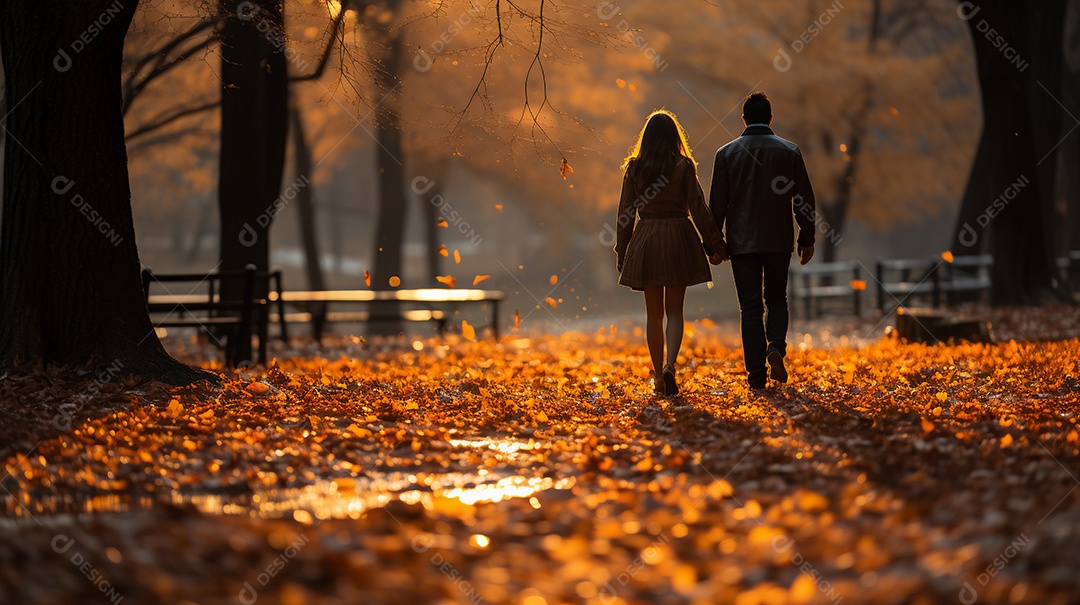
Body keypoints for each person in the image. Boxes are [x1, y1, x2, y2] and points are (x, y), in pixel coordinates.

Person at [708, 91, 816, 391]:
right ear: (770, 118)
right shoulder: (789, 151)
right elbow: (804, 200)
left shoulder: (726, 154)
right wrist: (807, 237)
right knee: (777, 299)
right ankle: (776, 349)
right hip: (778, 239)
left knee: (751, 308)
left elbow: (717, 204)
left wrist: (714, 245)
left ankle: (756, 378)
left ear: (744, 119)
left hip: (742, 244)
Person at [614, 110, 727, 396]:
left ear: (647, 138)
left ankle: (658, 378)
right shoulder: (684, 166)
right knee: (675, 310)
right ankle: (670, 366)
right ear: (675, 137)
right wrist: (717, 244)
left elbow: (625, 214)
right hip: (679, 237)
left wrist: (622, 250)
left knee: (654, 314)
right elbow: (699, 207)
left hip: (647, 238)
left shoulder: (635, 168)